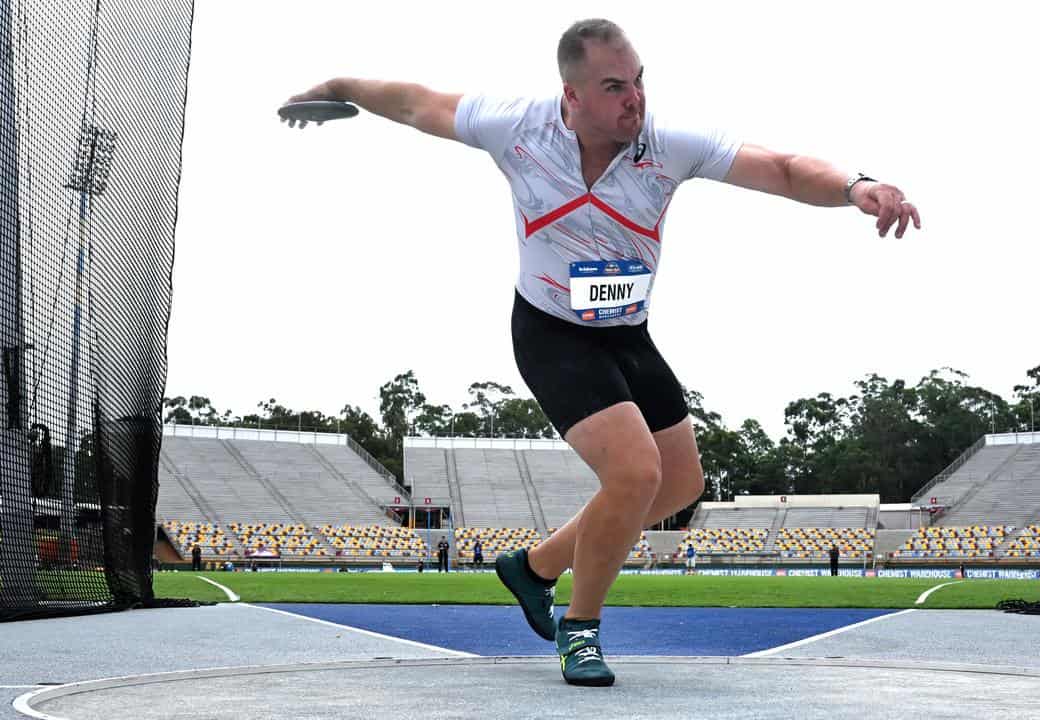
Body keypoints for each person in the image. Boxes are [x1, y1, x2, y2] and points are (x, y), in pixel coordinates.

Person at [286, 17, 919, 687]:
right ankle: (579, 630)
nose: (635, 99)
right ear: (572, 96)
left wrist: (856, 187)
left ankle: (531, 569)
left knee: (681, 484)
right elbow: (417, 103)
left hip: (626, 332)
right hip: (551, 330)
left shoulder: (667, 145)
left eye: (640, 80)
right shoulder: (516, 127)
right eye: (615, 86)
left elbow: (784, 169)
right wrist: (338, 85)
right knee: (636, 474)